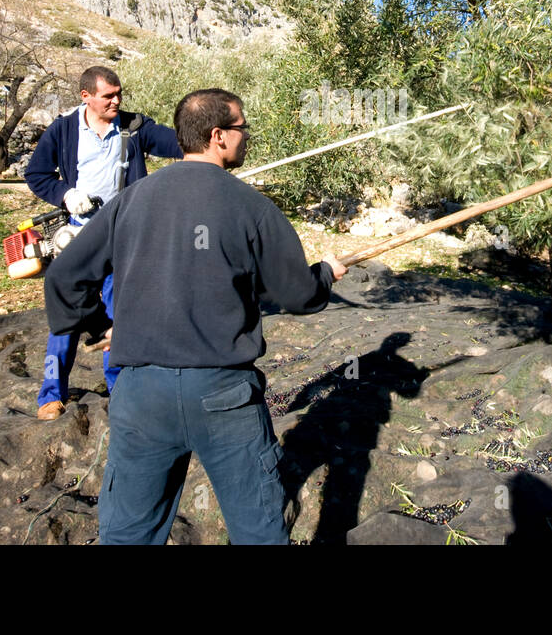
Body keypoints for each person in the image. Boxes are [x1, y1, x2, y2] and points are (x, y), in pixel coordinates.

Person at [43, 88, 347, 544]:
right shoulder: (252, 207)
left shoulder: (131, 201)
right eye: (243, 128)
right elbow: (298, 295)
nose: (247, 137)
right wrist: (324, 274)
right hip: (224, 395)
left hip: (141, 393)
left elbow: (63, 278)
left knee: (128, 534)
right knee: (260, 531)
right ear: (218, 136)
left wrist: (100, 326)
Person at [24, 65, 182, 420]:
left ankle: (120, 390)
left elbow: (177, 143)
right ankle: (51, 395)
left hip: (125, 236)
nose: (116, 100)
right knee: (66, 314)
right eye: (108, 95)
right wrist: (66, 195)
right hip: (78, 236)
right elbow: (35, 174)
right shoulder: (63, 130)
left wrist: (212, 138)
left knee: (119, 314)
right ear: (86, 97)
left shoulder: (134, 126)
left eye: (119, 93)